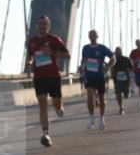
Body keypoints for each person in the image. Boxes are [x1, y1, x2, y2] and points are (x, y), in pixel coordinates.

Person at [26, 15, 71, 147]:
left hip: (53, 77)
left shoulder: (54, 39)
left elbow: (67, 55)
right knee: (42, 104)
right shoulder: (32, 41)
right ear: (37, 26)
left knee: (57, 105)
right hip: (39, 77)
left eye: (44, 24)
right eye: (40, 23)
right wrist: (29, 61)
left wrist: (52, 52)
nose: (42, 26)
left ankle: (59, 109)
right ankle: (46, 134)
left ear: (48, 26)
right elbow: (30, 56)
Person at [78, 29, 114, 130]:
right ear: (89, 37)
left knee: (101, 99)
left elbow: (113, 57)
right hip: (89, 76)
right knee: (90, 97)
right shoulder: (85, 48)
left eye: (94, 35)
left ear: (97, 36)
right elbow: (84, 59)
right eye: (90, 35)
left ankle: (102, 118)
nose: (92, 37)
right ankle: (91, 117)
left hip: (100, 76)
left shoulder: (102, 48)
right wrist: (81, 67)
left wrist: (108, 67)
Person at [108, 46, 133, 115]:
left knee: (126, 95)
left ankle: (127, 93)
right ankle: (121, 108)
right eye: (117, 51)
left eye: (119, 51)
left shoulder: (126, 59)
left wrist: (129, 72)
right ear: (115, 52)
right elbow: (109, 67)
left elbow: (131, 68)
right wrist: (112, 71)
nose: (118, 52)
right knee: (118, 93)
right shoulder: (113, 59)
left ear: (121, 51)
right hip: (117, 79)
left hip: (125, 79)